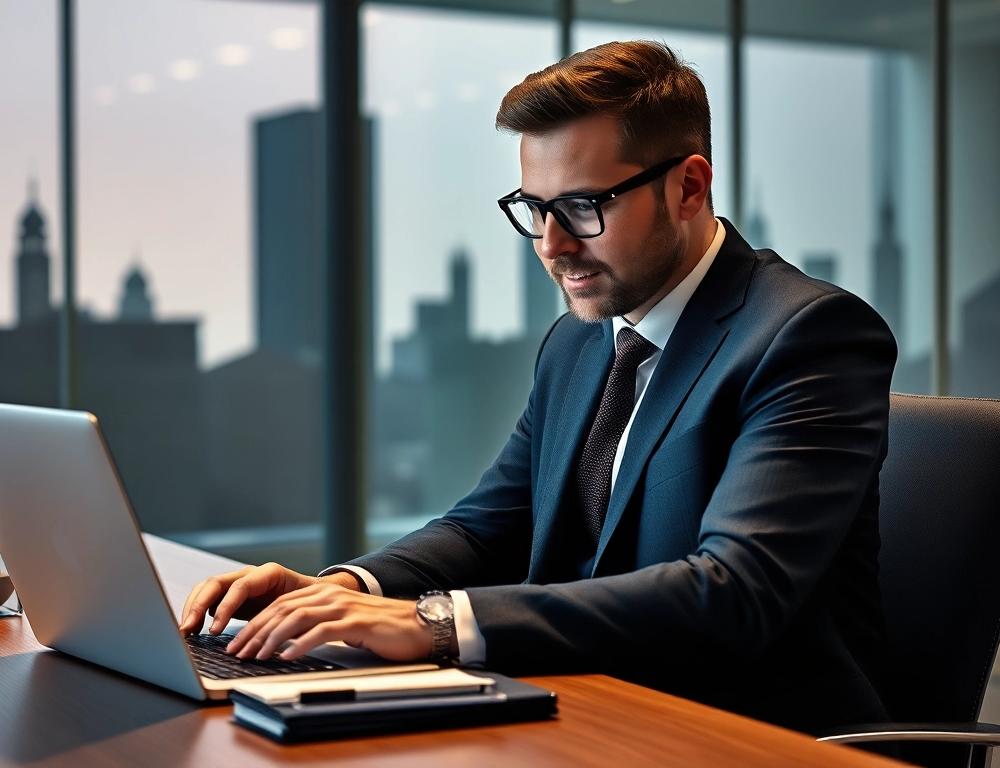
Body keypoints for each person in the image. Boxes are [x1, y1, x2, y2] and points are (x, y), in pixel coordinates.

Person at [179, 40, 897, 733]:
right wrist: (343, 589)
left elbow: (735, 592)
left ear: (688, 187)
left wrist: (438, 624)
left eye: (584, 206)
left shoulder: (807, 335)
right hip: (583, 709)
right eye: (536, 209)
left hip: (744, 734)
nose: (552, 244)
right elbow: (487, 527)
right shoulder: (578, 341)